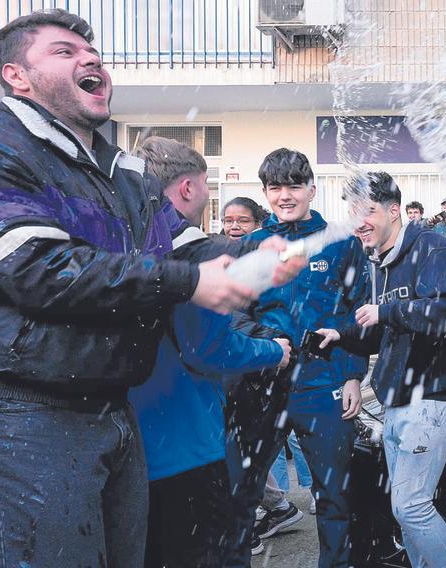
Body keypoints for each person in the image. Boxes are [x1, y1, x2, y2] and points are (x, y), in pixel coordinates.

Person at [0, 10, 301, 566]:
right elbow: (39, 268)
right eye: (63, 51)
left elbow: (175, 250)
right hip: (15, 411)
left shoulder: (124, 172)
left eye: (89, 49)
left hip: (110, 405)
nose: (88, 57)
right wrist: (191, 282)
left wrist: (250, 256)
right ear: (16, 76)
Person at [129, 136, 293, 567]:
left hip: (130, 443)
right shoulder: (195, 258)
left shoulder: (122, 238)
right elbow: (210, 348)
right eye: (207, 184)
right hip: (186, 441)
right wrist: (272, 351)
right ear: (188, 189)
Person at [316, 171, 446, 568]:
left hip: (434, 393)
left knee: (411, 506)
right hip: (397, 397)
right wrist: (341, 335)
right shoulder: (379, 264)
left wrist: (387, 310)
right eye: (353, 211)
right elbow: (380, 334)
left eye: (367, 210)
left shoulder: (432, 248)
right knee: (403, 507)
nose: (359, 221)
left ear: (393, 211)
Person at [240, 148, 370, 567]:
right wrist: (261, 346)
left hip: (324, 382)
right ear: (265, 193)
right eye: (275, 187)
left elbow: (359, 311)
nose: (285, 195)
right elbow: (235, 315)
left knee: (334, 494)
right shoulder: (252, 246)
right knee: (243, 490)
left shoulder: (341, 242)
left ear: (312, 189)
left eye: (294, 185)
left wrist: (353, 375)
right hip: (263, 383)